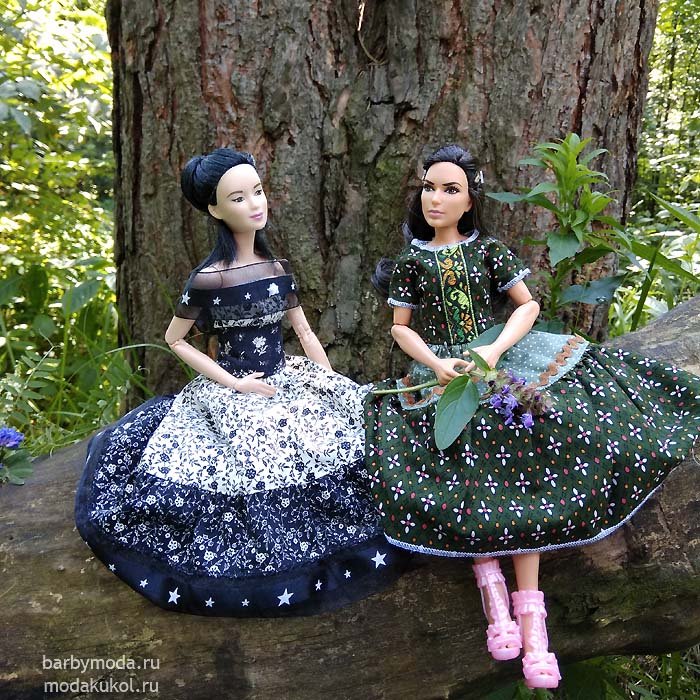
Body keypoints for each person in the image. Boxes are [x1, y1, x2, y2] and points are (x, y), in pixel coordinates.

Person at [365, 144, 700, 688]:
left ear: (470, 200)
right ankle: (490, 587)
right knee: (459, 464)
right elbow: (401, 327)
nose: (436, 198)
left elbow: (527, 305)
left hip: (499, 359)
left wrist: (495, 350)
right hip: (443, 372)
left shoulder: (489, 251)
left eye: (450, 189)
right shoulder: (411, 262)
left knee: (527, 458)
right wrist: (436, 363)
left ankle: (532, 620)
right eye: (429, 187)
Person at [76, 147, 405, 617]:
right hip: (236, 389)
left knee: (339, 442)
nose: (255, 204)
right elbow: (175, 339)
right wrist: (233, 383)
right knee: (249, 461)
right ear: (214, 209)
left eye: (258, 191)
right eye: (238, 197)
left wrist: (331, 381)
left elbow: (304, 331)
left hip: (287, 378)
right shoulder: (208, 280)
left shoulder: (277, 269)